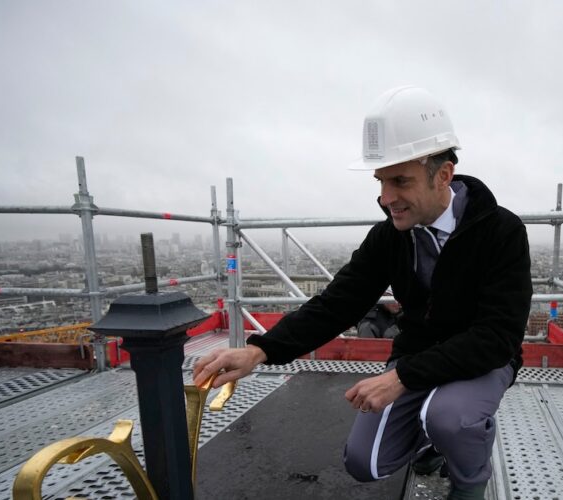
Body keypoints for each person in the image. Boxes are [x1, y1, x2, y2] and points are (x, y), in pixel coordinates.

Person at [193, 86, 532, 500]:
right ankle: (433, 443)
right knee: (364, 463)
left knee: (449, 417)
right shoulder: (390, 237)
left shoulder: (501, 231)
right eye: (381, 181)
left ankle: (470, 477)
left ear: (443, 175)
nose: (386, 198)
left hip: (483, 361)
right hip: (418, 355)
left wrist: (402, 378)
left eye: (400, 181)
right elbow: (338, 303)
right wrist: (260, 350)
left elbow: (497, 337)